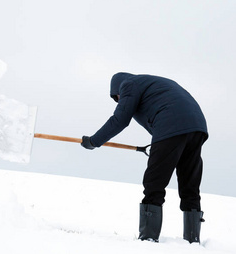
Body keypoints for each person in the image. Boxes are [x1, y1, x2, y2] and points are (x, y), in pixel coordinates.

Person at [81, 72, 208, 243]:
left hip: (171, 126)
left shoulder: (128, 84)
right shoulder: (152, 84)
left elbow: (120, 119)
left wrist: (94, 141)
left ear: (117, 88)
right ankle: (192, 241)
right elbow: (168, 111)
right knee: (189, 184)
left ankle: (148, 239)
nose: (119, 101)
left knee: (154, 182)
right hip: (197, 127)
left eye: (117, 97)